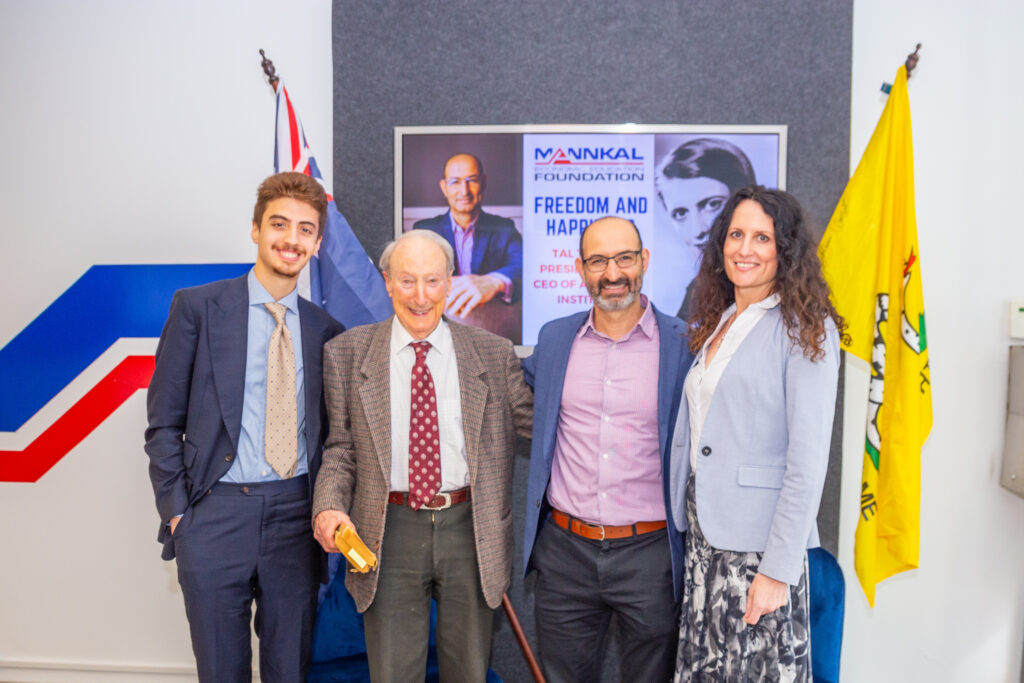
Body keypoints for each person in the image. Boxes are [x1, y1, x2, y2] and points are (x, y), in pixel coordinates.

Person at [144, 172, 345, 682]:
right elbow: (163, 423)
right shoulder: (198, 308)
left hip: (295, 518)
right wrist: (179, 515)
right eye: (279, 224)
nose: (291, 239)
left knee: (289, 670)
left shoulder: (326, 331)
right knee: (221, 672)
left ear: (317, 243)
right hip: (214, 516)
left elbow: (334, 437)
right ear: (255, 229)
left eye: (305, 229)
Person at [312, 229, 533, 682]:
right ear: (387, 281)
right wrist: (329, 505)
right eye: (407, 280)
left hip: (472, 530)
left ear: (449, 281)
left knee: (468, 673)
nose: (420, 296)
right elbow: (340, 448)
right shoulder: (346, 354)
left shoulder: (494, 354)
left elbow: (542, 430)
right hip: (387, 531)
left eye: (432, 281)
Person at [669, 186, 844, 682]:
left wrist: (776, 571)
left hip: (758, 551)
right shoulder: (722, 319)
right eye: (736, 235)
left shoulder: (805, 328)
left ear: (785, 249)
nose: (745, 249)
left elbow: (807, 463)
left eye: (762, 238)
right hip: (706, 543)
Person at [521, 216, 693, 682]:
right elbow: (515, 398)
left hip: (651, 556)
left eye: (624, 258)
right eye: (598, 261)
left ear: (644, 261)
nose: (613, 273)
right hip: (565, 554)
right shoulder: (555, 339)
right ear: (580, 269)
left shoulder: (685, 343)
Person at [653, 138, 757, 319]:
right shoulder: (697, 292)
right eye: (680, 213)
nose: (698, 230)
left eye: (712, 205)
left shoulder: (775, 294)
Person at [412, 152, 523, 317]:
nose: (464, 191)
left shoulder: (504, 229)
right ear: (444, 187)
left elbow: (523, 266)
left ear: (484, 183)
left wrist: (493, 282)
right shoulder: (424, 231)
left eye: (472, 180)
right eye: (455, 182)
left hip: (490, 323)